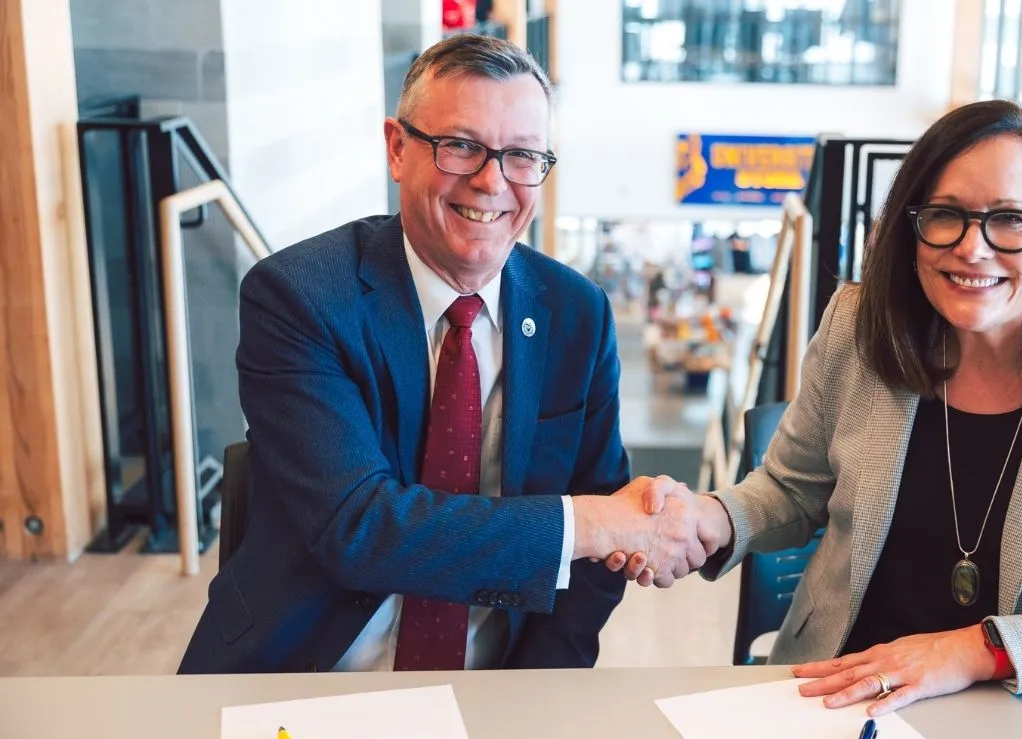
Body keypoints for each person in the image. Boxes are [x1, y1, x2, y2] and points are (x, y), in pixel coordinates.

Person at [617, 100, 1022, 712]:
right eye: (946, 216)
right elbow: (793, 487)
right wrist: (711, 519)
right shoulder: (859, 324)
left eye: (1010, 220)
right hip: (841, 685)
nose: (972, 248)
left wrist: (972, 650)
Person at [179, 35, 720, 675]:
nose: (492, 181)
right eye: (461, 146)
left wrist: (532, 697)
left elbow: (594, 571)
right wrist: (596, 524)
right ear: (398, 149)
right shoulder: (300, 297)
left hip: (498, 684)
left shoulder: (577, 313)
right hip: (306, 676)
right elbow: (360, 527)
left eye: (522, 155)